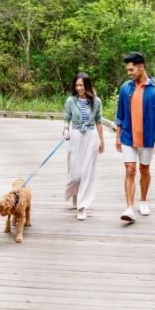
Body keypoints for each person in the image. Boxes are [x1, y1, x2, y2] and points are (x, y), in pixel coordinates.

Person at [114, 52, 155, 223]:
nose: (129, 73)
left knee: (144, 170)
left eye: (131, 69)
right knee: (130, 170)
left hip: (147, 138)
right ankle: (129, 208)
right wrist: (117, 136)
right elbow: (120, 115)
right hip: (128, 137)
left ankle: (143, 201)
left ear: (141, 67)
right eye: (128, 70)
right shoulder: (125, 88)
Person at [63, 72, 105, 220]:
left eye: (81, 85)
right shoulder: (70, 100)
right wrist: (66, 130)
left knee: (87, 172)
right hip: (75, 136)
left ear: (87, 85)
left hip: (91, 137)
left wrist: (102, 140)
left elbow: (99, 121)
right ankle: (75, 193)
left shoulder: (96, 101)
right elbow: (67, 118)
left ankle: (82, 206)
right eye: (76, 85)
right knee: (75, 174)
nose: (79, 88)